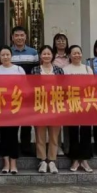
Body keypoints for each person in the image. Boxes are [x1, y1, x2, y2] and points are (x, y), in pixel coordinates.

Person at [0, 46, 25, 174]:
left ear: (11, 56)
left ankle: (13, 162)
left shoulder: (19, 69)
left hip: (15, 107)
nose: (5, 57)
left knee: (13, 134)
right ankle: (5, 162)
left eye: (7, 54)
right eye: (3, 55)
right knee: (3, 134)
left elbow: (25, 87)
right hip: (1, 108)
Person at [32, 45, 64, 174]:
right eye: (44, 54)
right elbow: (31, 88)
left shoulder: (58, 70)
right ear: (40, 56)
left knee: (54, 135)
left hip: (55, 106)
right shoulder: (35, 70)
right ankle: (42, 160)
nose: (46, 56)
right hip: (40, 106)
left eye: (48, 54)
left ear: (52, 55)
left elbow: (64, 87)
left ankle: (52, 160)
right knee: (40, 134)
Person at [63, 45, 95, 173]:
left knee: (86, 131)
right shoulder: (65, 70)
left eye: (79, 53)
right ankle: (75, 159)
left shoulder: (87, 69)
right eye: (74, 53)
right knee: (73, 132)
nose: (77, 55)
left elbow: (92, 86)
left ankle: (85, 159)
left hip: (86, 103)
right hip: (71, 103)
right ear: (69, 55)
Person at [11, 26, 39, 156]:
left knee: (27, 121)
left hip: (28, 92)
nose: (19, 38)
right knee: (13, 120)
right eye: (16, 35)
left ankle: (26, 147)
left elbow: (36, 72)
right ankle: (13, 146)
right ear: (12, 37)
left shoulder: (33, 53)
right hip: (12, 92)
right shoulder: (8, 52)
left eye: (22, 35)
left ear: (26, 37)